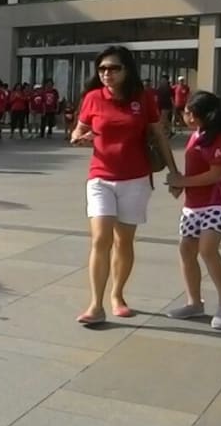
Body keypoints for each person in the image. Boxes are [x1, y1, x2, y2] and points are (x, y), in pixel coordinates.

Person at [70, 46, 177, 325]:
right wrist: (79, 137)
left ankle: (117, 295)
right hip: (100, 177)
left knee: (124, 241)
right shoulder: (93, 97)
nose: (107, 73)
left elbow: (159, 136)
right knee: (100, 238)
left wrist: (176, 172)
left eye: (114, 68)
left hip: (136, 179)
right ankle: (95, 304)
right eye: (102, 68)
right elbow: (78, 129)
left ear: (127, 70)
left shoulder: (144, 98)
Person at [165, 92, 221, 329]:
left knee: (207, 249)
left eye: (188, 111)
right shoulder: (196, 135)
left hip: (219, 201)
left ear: (201, 115)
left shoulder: (220, 139)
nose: (184, 115)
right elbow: (193, 169)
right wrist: (179, 185)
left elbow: (216, 174)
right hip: (193, 204)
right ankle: (194, 303)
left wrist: (182, 181)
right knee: (187, 249)